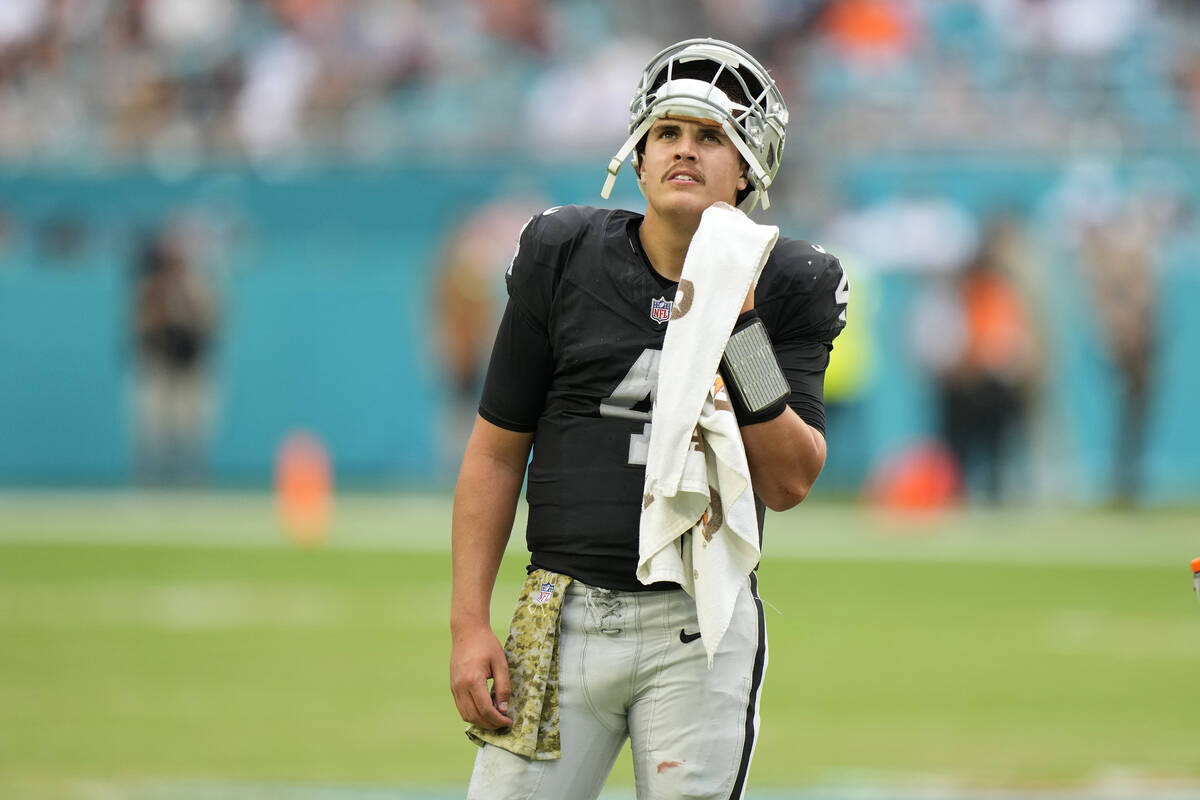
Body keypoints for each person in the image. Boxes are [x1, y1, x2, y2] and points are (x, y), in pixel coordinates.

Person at [449, 38, 848, 800]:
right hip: (558, 614)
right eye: (667, 132)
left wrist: (737, 324)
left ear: (749, 167)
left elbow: (790, 477)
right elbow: (497, 453)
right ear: (637, 156)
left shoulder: (789, 282)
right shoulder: (563, 255)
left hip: (699, 629)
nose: (684, 151)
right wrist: (470, 623)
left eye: (709, 136)